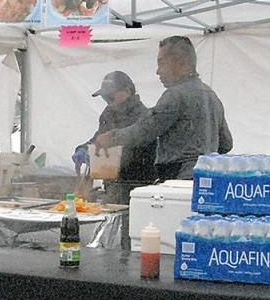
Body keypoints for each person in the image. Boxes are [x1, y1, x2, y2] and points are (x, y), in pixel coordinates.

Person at [95, 36, 232, 180]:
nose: (158, 71)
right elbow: (226, 143)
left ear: (181, 64)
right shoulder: (211, 95)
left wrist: (111, 138)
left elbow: (145, 130)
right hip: (207, 179)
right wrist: (204, 158)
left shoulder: (175, 95)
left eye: (161, 63)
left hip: (179, 179)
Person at [71, 70, 156, 204]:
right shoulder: (108, 113)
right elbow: (99, 137)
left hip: (136, 188)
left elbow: (135, 152)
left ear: (127, 91)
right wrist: (85, 149)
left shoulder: (143, 117)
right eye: (105, 97)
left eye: (111, 97)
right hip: (113, 187)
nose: (108, 101)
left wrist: (107, 154)